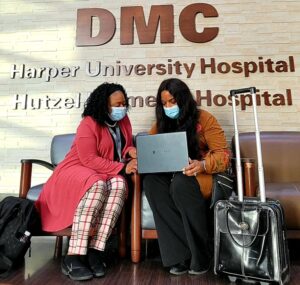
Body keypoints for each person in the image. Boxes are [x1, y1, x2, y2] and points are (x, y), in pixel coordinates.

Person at [35, 82, 137, 281]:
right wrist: (123, 167)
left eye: (123, 103)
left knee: (119, 185)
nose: (121, 108)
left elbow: (123, 146)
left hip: (105, 170)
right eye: (116, 104)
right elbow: (88, 159)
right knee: (97, 184)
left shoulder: (124, 121)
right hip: (77, 168)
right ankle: (74, 255)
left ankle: (95, 250)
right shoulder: (88, 123)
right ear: (103, 105)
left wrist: (131, 152)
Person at [143, 78, 230, 276]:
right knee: (152, 182)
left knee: (181, 184)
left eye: (172, 101)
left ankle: (201, 255)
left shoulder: (205, 119)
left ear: (183, 99)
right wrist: (134, 153)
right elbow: (150, 149)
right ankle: (180, 256)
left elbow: (223, 155)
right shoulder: (161, 124)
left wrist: (202, 165)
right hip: (173, 175)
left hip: (202, 174)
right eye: (164, 103)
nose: (168, 107)